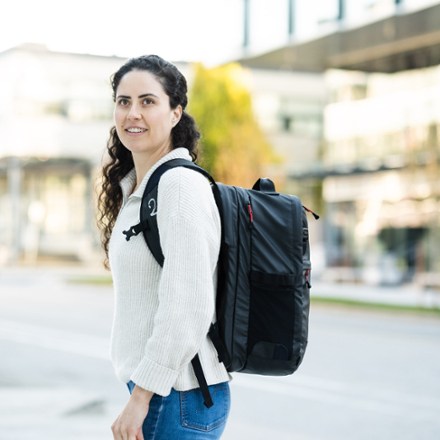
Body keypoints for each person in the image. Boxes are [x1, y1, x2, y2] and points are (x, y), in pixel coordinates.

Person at [97, 55, 231, 440]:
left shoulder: (178, 187)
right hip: (163, 390)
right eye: (124, 101)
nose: (132, 113)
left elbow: (187, 304)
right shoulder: (141, 188)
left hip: (173, 395)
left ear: (176, 113)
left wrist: (142, 397)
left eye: (147, 101)